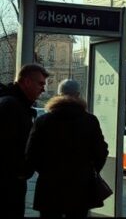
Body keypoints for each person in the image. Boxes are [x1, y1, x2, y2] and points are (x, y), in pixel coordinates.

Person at [26, 79, 109, 218]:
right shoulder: (89, 120)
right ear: (77, 95)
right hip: (80, 185)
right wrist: (89, 170)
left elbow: (31, 153)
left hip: (50, 185)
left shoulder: (44, 120)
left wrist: (46, 170)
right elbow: (101, 151)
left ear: (58, 95)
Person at [0, 63, 50, 217]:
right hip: (7, 184)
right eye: (40, 83)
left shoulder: (13, 103)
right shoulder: (12, 106)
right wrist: (21, 171)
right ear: (27, 82)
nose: (43, 89)